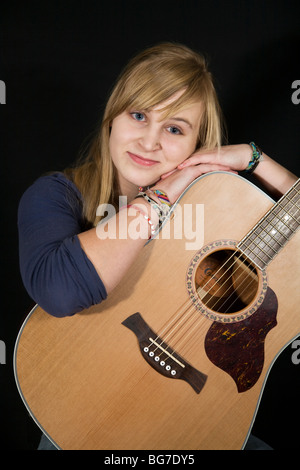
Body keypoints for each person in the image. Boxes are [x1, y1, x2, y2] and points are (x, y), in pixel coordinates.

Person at [18, 42, 297, 450]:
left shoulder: (220, 213)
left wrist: (257, 160)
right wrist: (162, 194)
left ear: (197, 145)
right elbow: (60, 291)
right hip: (82, 418)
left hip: (190, 418)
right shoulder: (55, 197)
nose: (150, 141)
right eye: (138, 115)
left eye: (174, 129)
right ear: (112, 117)